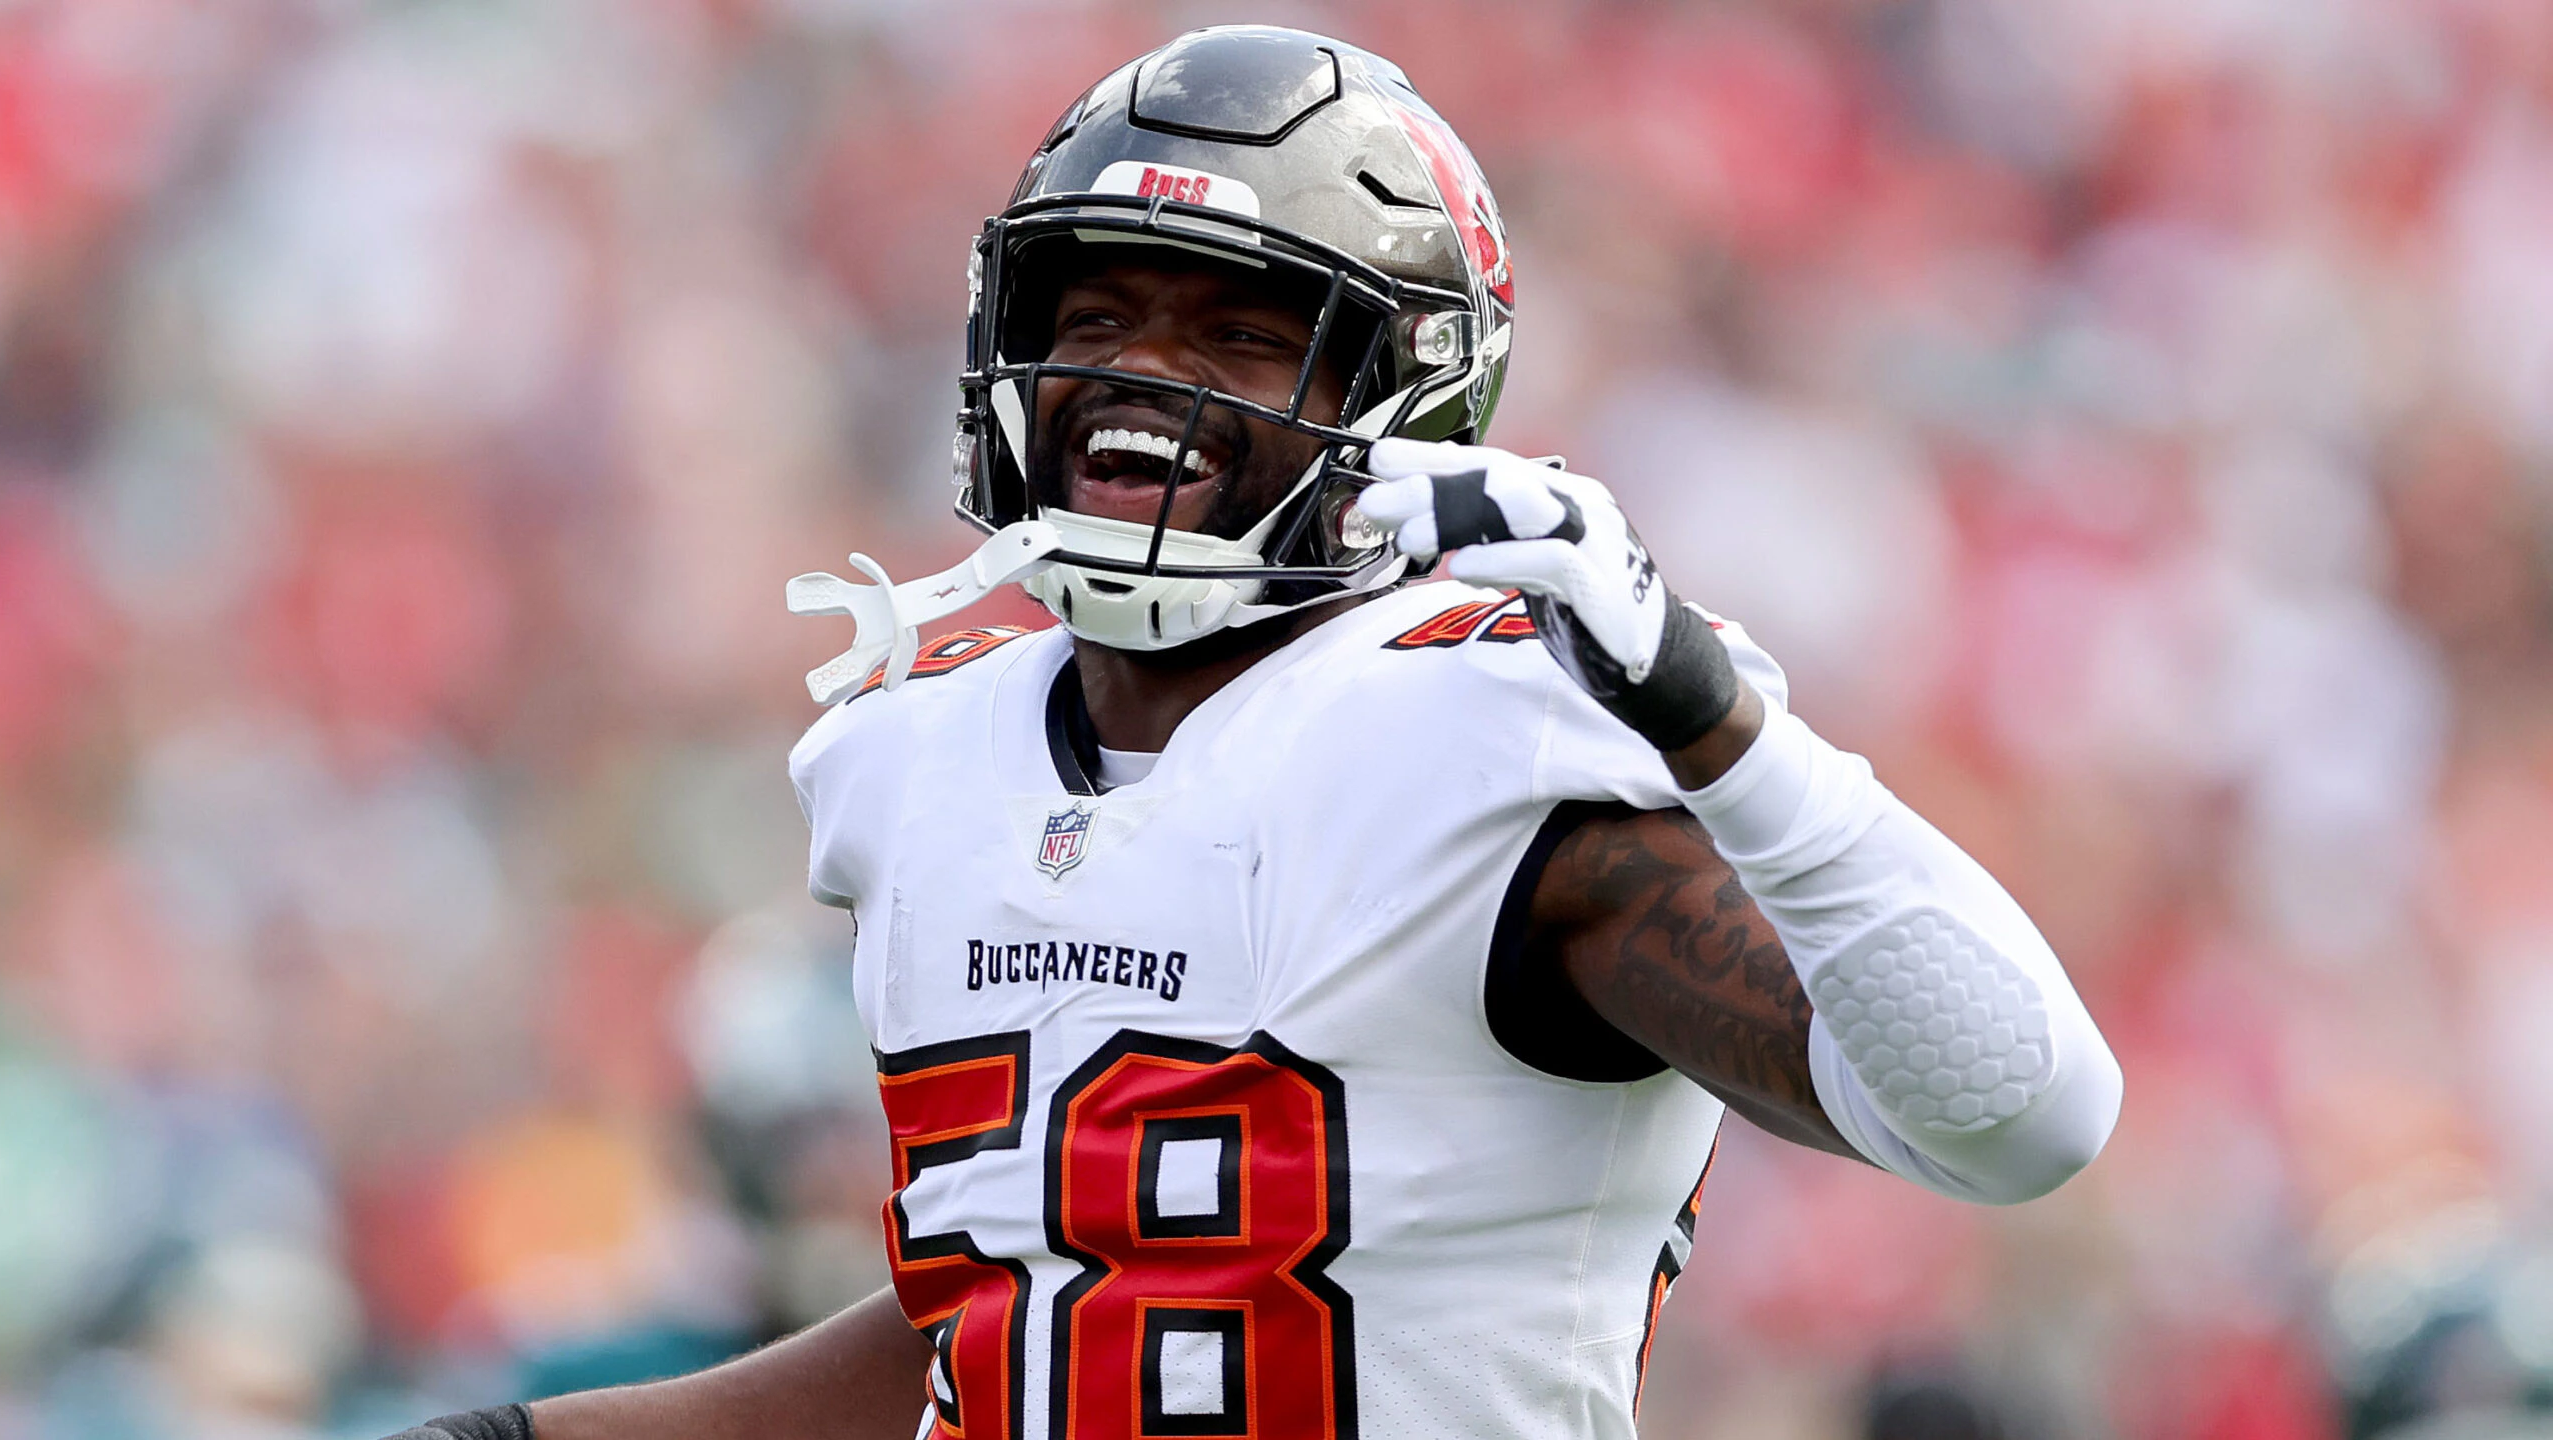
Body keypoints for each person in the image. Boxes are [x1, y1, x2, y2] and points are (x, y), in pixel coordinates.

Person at [394, 25, 2121, 1440]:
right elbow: (1033, 1313)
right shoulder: (915, 758)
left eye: (1240, 332)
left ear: (1405, 401)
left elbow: (2020, 1116)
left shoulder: (1490, 748)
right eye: (1097, 316)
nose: (1146, 372)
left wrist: (1717, 722)